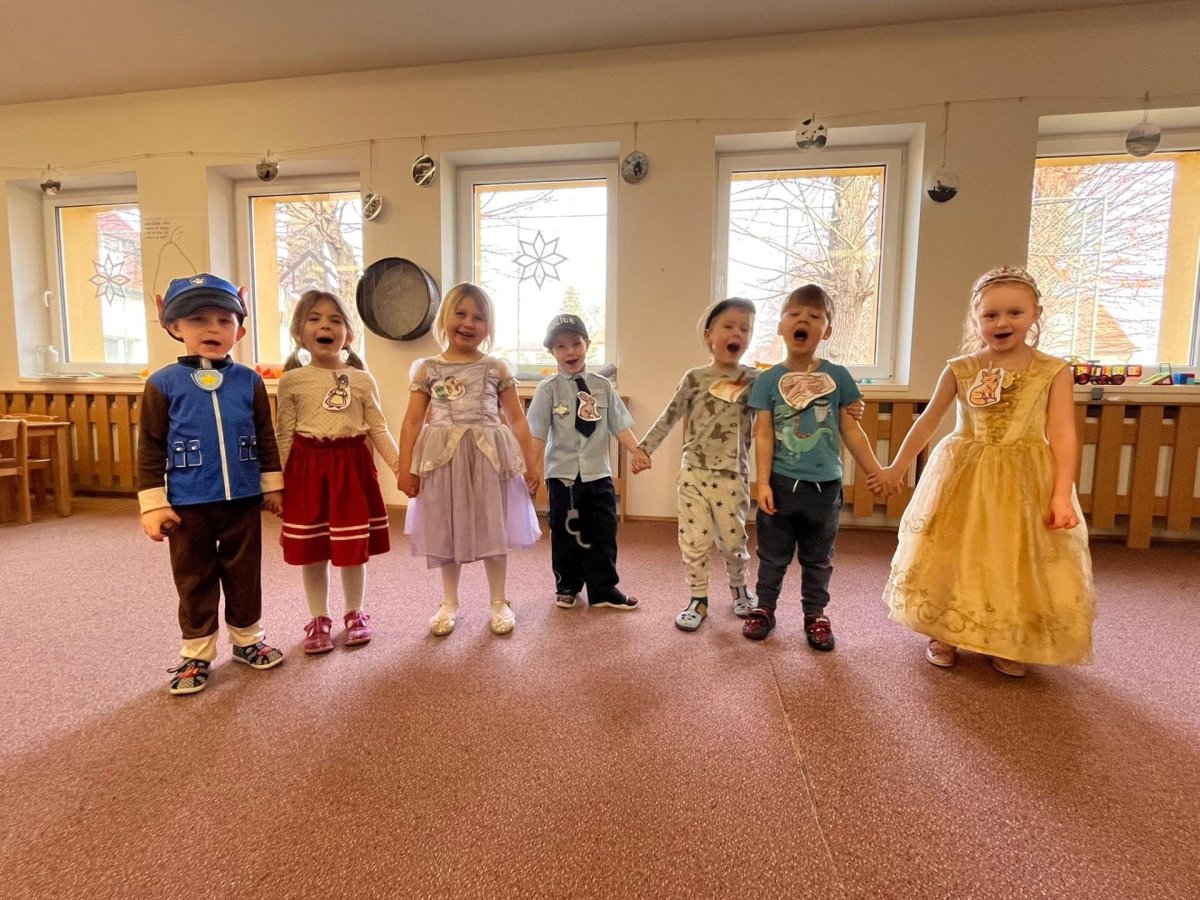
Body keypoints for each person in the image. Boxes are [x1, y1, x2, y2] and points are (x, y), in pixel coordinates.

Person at [870, 266, 1094, 676]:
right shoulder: (961, 368)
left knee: (1012, 556)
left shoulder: (1053, 371)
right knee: (956, 551)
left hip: (1024, 478)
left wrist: (1061, 494)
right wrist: (896, 467)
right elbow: (928, 421)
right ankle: (945, 631)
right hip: (965, 476)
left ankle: (1007, 638)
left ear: (1036, 314)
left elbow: (1062, 434)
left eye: (1014, 312)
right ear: (975, 319)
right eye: (990, 314)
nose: (1002, 322)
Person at [137, 273, 284, 695]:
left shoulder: (249, 381)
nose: (212, 329)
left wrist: (272, 485)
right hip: (188, 503)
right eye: (198, 319)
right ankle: (197, 653)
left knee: (245, 574)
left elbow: (265, 436)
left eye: (224, 320)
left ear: (239, 330)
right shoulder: (162, 383)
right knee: (194, 577)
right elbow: (150, 447)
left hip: (242, 499)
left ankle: (248, 640)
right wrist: (153, 504)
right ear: (174, 326)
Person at [742, 284, 887, 648]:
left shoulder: (838, 377)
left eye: (814, 316)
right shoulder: (768, 380)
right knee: (772, 555)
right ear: (780, 326)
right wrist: (762, 483)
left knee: (818, 558)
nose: (803, 321)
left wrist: (875, 469)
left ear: (828, 330)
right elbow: (763, 434)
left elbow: (851, 430)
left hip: (825, 488)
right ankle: (764, 608)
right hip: (780, 484)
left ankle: (815, 614)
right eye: (794, 315)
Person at [397, 283, 542, 636]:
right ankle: (449, 601)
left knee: (493, 524)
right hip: (442, 461)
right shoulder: (427, 369)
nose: (468, 323)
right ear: (444, 318)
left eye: (478, 317)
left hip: (488, 458)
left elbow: (517, 419)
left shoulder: (496, 368)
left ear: (488, 326)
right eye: (460, 314)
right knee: (445, 526)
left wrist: (531, 464)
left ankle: (499, 600)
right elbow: (413, 421)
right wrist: (405, 468)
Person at [275, 290, 398, 654]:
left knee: (352, 546)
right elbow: (284, 434)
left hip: (351, 471)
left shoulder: (361, 380)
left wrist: (401, 468)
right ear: (299, 332)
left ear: (349, 334)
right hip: (306, 472)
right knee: (313, 550)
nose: (324, 326)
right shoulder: (291, 380)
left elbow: (378, 428)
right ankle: (318, 618)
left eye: (335, 320)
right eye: (314, 319)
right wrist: (276, 484)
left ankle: (355, 613)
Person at [636, 298, 760, 631]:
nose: (737, 333)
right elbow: (670, 415)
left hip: (733, 475)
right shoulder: (694, 378)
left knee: (733, 542)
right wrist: (643, 449)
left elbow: (783, 409)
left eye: (745, 328)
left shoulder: (755, 380)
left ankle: (739, 588)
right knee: (694, 540)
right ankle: (698, 597)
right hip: (694, 472)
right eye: (728, 326)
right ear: (709, 336)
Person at [527, 313, 648, 612]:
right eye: (560, 346)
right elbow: (537, 434)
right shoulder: (548, 389)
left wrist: (638, 451)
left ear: (587, 344)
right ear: (551, 351)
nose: (570, 351)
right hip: (563, 476)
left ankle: (603, 589)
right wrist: (531, 469)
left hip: (598, 474)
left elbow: (620, 425)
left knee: (603, 533)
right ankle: (567, 585)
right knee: (566, 533)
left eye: (576, 343)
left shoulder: (602, 386)